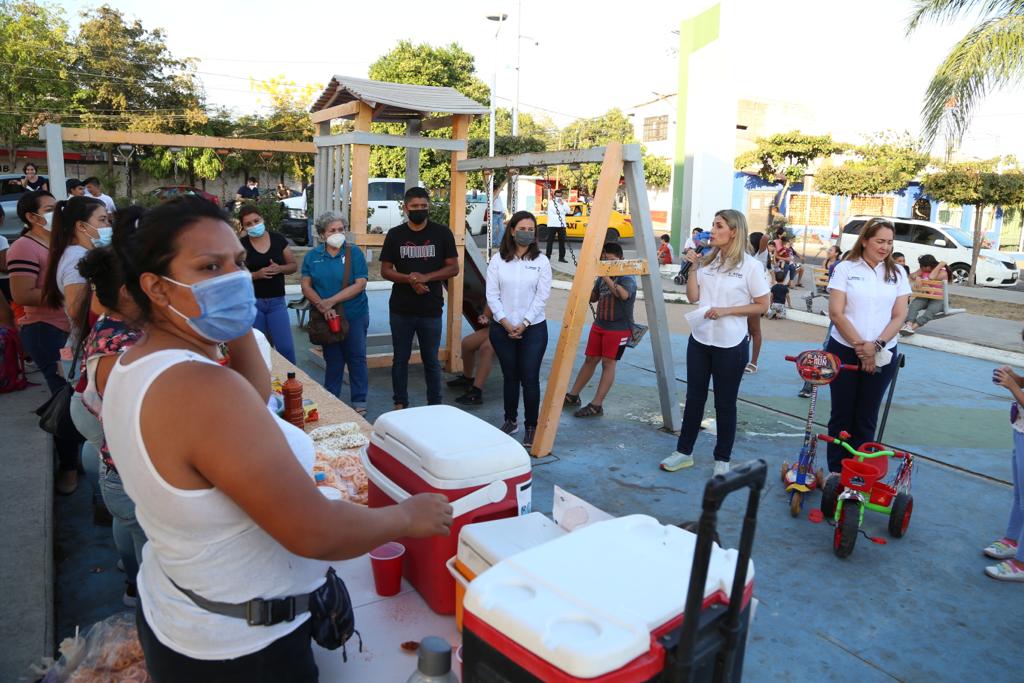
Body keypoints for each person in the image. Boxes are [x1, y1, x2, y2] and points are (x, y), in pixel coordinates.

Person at [100, 196, 452, 679]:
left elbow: (253, 395)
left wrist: (233, 322)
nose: (233, 278)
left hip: (187, 612)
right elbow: (315, 532)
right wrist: (407, 517)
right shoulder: (202, 389)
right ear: (156, 287)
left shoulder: (134, 363)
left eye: (237, 262)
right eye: (210, 267)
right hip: (242, 650)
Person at [661, 210, 770, 475]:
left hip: (731, 345)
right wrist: (693, 267)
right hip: (700, 339)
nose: (713, 230)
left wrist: (726, 311)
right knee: (694, 398)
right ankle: (683, 452)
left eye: (719, 225)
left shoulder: (750, 266)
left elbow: (763, 305)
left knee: (725, 403)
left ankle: (722, 459)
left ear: (734, 231)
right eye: (713, 224)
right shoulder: (708, 262)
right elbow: (693, 297)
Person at [76, 215, 147, 606]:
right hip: (131, 476)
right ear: (126, 291)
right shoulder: (122, 348)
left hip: (119, 469)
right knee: (154, 570)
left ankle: (133, 586)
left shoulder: (115, 324)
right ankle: (141, 599)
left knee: (134, 539)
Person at [7, 190, 82, 494]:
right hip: (44, 330)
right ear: (32, 217)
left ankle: (77, 460)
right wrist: (70, 292)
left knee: (75, 393)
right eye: (49, 209)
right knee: (65, 396)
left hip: (67, 329)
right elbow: (21, 293)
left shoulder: (58, 242)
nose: (56, 213)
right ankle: (68, 467)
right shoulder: (23, 247)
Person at [823, 217, 911, 475]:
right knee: (842, 413)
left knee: (867, 414)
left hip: (883, 351)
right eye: (880, 241)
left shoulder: (898, 273)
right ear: (864, 241)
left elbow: (899, 316)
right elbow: (836, 313)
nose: (885, 247)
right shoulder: (845, 268)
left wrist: (877, 346)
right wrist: (861, 348)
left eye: (890, 242)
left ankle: (858, 473)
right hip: (844, 349)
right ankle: (836, 471)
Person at [380, 187, 459, 409]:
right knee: (400, 359)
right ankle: (400, 403)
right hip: (401, 309)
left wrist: (426, 277)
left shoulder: (442, 233)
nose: (419, 210)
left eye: (424, 206)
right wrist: (410, 279)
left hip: (431, 308)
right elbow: (385, 270)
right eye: (415, 206)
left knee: (431, 360)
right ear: (405, 208)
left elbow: (453, 268)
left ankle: (435, 405)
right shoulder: (395, 234)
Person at [486, 211, 552, 447]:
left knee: (530, 378)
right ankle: (510, 420)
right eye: (522, 229)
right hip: (502, 328)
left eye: (530, 230)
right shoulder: (497, 260)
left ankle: (531, 426)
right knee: (510, 376)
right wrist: (504, 322)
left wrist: (524, 323)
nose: (526, 233)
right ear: (512, 231)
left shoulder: (541, 262)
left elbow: (542, 296)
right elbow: (492, 295)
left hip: (533, 329)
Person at [300, 213, 370, 413]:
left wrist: (330, 302)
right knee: (333, 360)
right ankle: (332, 399)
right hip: (326, 317)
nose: (338, 233)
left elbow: (360, 283)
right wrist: (323, 306)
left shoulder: (354, 253)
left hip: (354, 314)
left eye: (341, 229)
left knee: (356, 357)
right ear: (322, 234)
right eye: (332, 230)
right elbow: (306, 285)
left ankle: (360, 401)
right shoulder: (313, 257)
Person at [565, 241, 636, 419]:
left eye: (611, 261)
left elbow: (623, 295)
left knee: (608, 363)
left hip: (619, 329)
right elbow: (594, 297)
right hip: (600, 325)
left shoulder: (627, 275)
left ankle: (597, 404)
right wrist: (584, 284)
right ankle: (573, 395)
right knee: (590, 359)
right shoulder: (601, 278)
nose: (607, 264)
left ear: (620, 259)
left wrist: (605, 275)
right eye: (605, 261)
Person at [239, 205, 298, 363]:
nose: (254, 225)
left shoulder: (278, 239)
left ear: (262, 218)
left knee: (285, 347)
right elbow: (236, 276)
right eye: (248, 224)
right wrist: (256, 275)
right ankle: (265, 377)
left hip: (277, 302)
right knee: (260, 349)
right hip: (254, 303)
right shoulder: (241, 245)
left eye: (256, 221)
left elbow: (293, 266)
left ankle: (291, 376)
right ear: (243, 227)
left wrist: (280, 268)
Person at [986, 349, 1024, 582]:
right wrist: (1016, 378)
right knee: (1019, 495)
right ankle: (1012, 539)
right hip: (1021, 431)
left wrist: (1012, 386)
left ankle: (1021, 563)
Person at [450, 308, 496, 407]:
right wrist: (485, 317)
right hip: (498, 327)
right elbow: (490, 304)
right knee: (467, 343)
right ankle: (467, 378)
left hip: (515, 330)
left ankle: (476, 392)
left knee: (486, 348)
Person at [900, 254, 949, 335]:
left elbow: (931, 277)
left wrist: (940, 265)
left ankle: (912, 328)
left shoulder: (943, 272)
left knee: (930, 312)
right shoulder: (923, 270)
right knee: (914, 306)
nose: (921, 267)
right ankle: (908, 325)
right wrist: (917, 277)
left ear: (929, 266)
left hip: (938, 299)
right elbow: (912, 275)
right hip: (925, 296)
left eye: (922, 266)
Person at [545, 189, 570, 263]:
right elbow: (556, 211)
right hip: (552, 225)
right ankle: (548, 256)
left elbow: (568, 211)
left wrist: (562, 204)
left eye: (560, 196)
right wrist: (563, 211)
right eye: (557, 196)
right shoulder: (551, 202)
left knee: (562, 242)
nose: (558, 197)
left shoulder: (564, 203)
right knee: (550, 241)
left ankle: (561, 257)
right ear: (554, 195)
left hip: (561, 225)